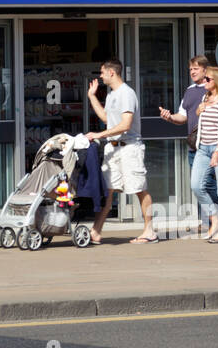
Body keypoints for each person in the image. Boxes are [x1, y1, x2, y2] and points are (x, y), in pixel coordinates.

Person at [87, 57, 157, 244]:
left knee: (139, 189)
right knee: (108, 190)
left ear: (112, 72)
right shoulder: (111, 95)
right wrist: (92, 96)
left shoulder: (126, 93)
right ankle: (96, 231)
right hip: (113, 148)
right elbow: (105, 118)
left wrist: (99, 135)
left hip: (129, 148)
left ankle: (149, 231)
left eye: (102, 72)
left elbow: (125, 125)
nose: (100, 76)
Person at [191, 65, 218, 243]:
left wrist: (217, 151)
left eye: (207, 79)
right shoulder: (205, 97)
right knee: (196, 185)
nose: (204, 81)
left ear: (216, 81)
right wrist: (198, 110)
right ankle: (214, 218)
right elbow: (200, 120)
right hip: (203, 147)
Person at [158, 55, 210, 199]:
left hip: (210, 145)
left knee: (208, 185)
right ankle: (208, 220)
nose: (192, 72)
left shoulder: (214, 88)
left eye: (196, 69)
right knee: (198, 186)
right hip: (194, 147)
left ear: (205, 70)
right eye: (190, 69)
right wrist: (169, 117)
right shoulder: (190, 90)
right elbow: (182, 117)